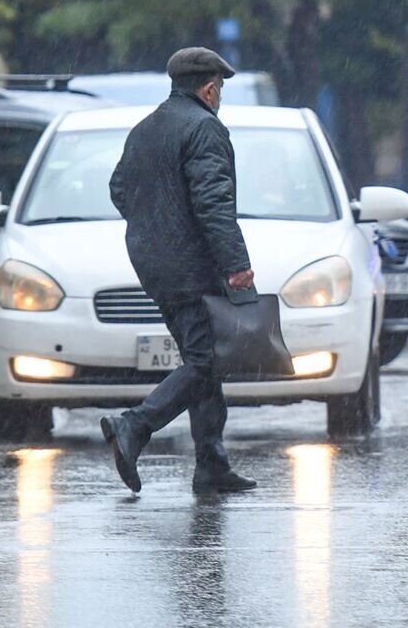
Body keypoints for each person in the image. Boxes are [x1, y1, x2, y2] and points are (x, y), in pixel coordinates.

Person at [101, 47, 259, 495]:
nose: (221, 97)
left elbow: (119, 188)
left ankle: (212, 463)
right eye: (220, 89)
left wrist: (153, 227)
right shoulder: (205, 128)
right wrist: (236, 264)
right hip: (192, 266)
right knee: (207, 360)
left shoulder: (145, 129)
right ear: (209, 89)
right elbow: (213, 204)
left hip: (154, 262)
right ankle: (134, 425)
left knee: (203, 356)